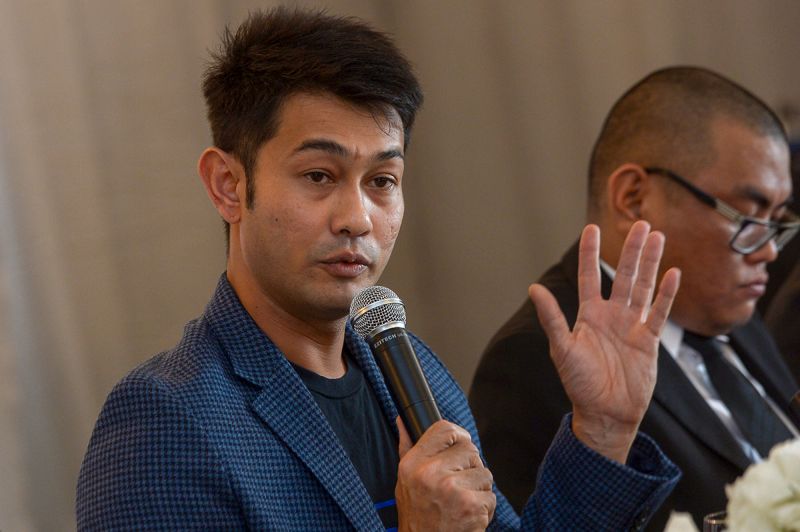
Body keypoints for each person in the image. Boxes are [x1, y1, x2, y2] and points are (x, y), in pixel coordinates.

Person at [76, 8, 681, 530]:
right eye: (319, 176)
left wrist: (601, 430)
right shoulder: (166, 420)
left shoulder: (421, 380)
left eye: (382, 182)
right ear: (229, 185)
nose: (357, 218)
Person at [470, 66, 800, 531]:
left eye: (777, 220)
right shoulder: (534, 359)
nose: (767, 249)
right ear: (634, 198)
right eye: (746, 215)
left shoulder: (730, 310)